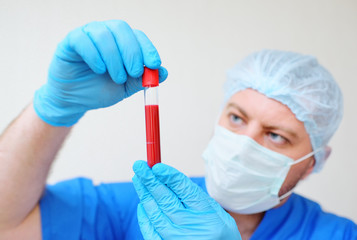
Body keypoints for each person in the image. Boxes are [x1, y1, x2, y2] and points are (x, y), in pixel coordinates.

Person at [0, 19, 355, 240]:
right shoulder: (146, 206)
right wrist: (54, 108)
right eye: (236, 118)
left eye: (275, 135)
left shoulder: (337, 235)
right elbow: (7, 223)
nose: (243, 144)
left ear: (312, 162)